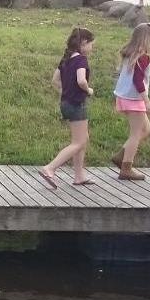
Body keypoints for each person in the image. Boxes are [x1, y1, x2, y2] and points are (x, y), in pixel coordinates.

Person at [39, 27, 96, 188]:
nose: (92, 48)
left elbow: (55, 80)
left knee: (83, 139)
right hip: (77, 104)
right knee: (79, 142)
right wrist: (88, 90)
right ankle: (49, 168)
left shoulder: (66, 58)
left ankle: (79, 176)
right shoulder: (81, 60)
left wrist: (66, 91)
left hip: (65, 103)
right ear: (84, 43)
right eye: (91, 44)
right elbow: (81, 81)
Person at [110, 22, 150, 181]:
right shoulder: (142, 57)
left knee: (146, 129)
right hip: (134, 99)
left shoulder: (130, 53)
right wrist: (147, 101)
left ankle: (120, 156)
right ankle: (126, 168)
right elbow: (138, 81)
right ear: (146, 38)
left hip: (125, 97)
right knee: (136, 134)